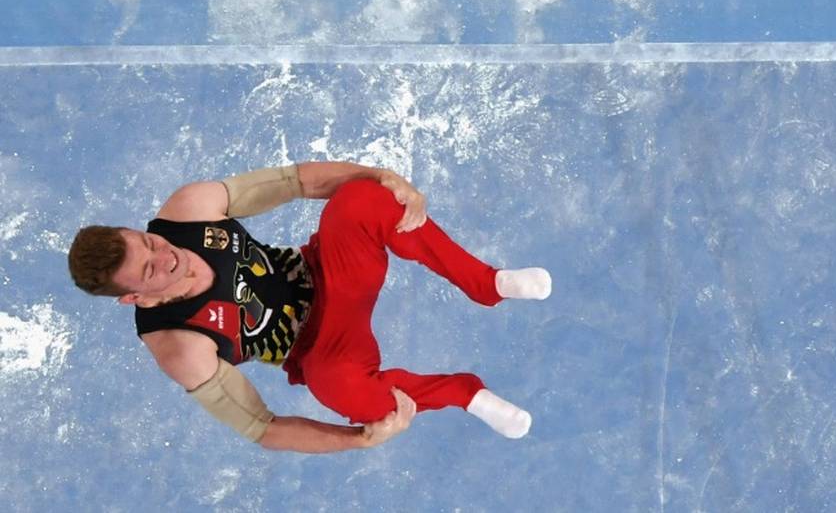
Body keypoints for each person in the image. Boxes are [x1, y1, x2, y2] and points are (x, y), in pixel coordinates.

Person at [66, 161, 552, 453]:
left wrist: (383, 177)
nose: (165, 255)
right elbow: (263, 427)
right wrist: (359, 439)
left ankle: (488, 283)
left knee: (363, 198)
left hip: (329, 268)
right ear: (134, 298)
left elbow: (297, 181)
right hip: (322, 346)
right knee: (343, 392)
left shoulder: (189, 209)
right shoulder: (178, 346)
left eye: (150, 242)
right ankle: (466, 395)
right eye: (150, 270)